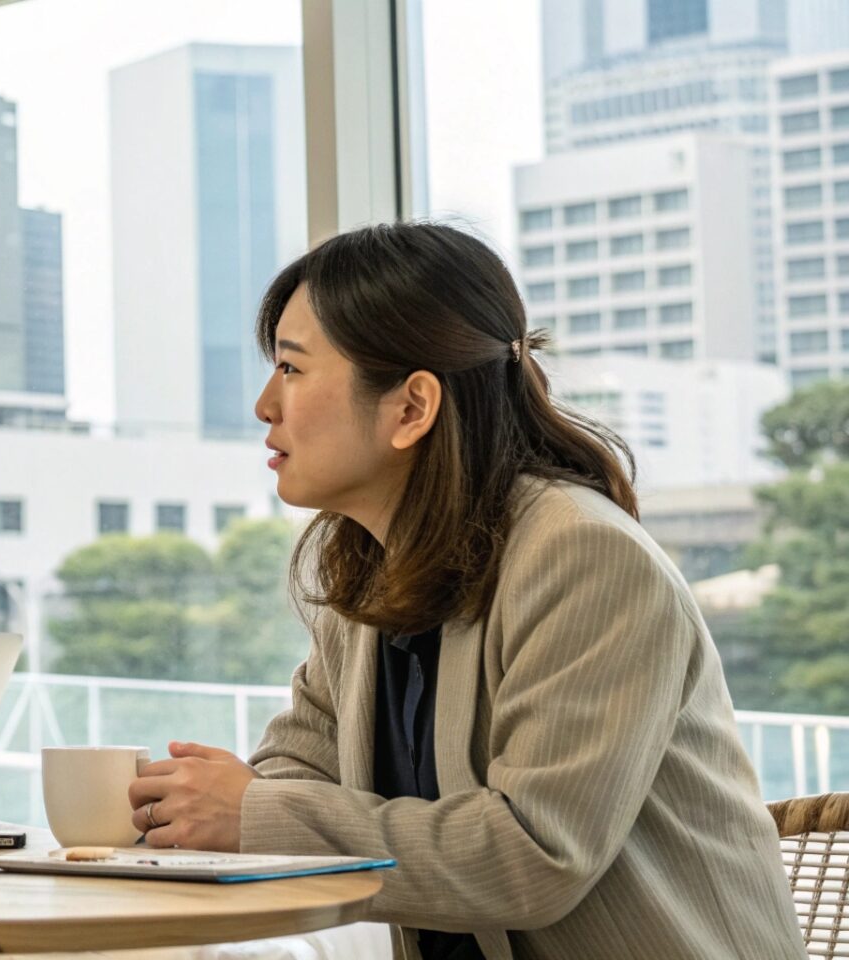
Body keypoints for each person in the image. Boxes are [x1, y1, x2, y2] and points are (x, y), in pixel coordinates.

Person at [125, 222, 804, 959]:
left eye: (291, 369)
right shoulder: (365, 559)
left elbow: (534, 855)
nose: (264, 404)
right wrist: (196, 803)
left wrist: (253, 815)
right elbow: (303, 766)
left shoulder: (583, 554)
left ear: (412, 407)